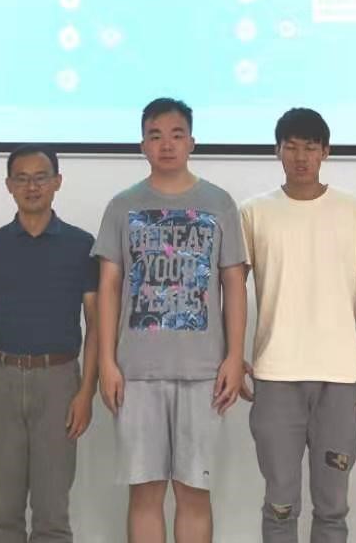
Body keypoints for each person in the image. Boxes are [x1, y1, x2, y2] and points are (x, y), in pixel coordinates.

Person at [93, 97, 248, 543]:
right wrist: (107, 361)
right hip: (137, 372)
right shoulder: (123, 206)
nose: (166, 144)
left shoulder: (218, 203)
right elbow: (109, 287)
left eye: (176, 135)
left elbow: (234, 283)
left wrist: (234, 356)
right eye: (155, 135)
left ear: (191, 143)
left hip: (203, 373)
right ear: (142, 144)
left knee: (194, 494)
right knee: (144, 494)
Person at [240, 108, 356, 543]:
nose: (300, 157)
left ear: (325, 151)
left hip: (339, 377)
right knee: (280, 503)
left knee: (332, 505)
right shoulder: (254, 212)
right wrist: (231, 354)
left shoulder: (354, 211)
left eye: (310, 147)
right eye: (291, 147)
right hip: (275, 375)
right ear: (277, 151)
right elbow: (231, 287)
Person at [0, 145, 100, 543]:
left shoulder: (82, 246)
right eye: (21, 178)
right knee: (3, 512)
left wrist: (85, 393)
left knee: (52, 512)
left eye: (41, 177)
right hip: (1, 380)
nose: (32, 186)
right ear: (9, 185)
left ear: (57, 182)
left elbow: (97, 324)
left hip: (59, 381)